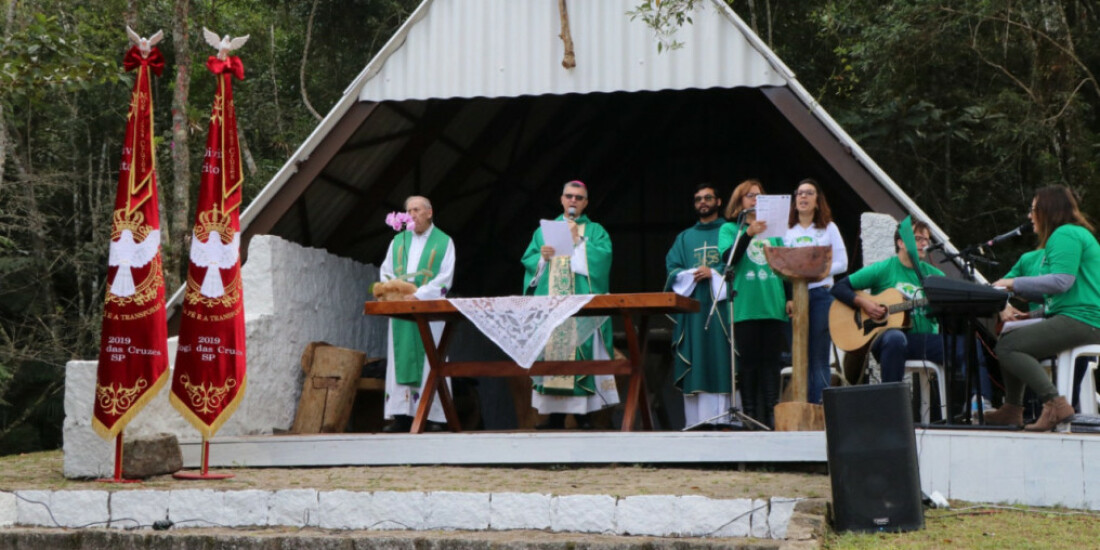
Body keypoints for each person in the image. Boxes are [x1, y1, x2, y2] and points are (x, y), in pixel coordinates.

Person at [990, 185, 1100, 431]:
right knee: (1008, 334)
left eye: (1033, 209)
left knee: (1007, 347)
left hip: (1085, 320)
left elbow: (1062, 282)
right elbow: (1060, 291)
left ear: (1047, 210)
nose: (1030, 216)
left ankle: (1054, 404)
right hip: (1080, 317)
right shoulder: (1069, 235)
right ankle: (1012, 409)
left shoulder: (1066, 234)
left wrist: (1013, 282)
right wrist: (1015, 290)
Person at [521, 180, 618, 429]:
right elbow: (529, 260)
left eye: (578, 197)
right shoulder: (544, 231)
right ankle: (553, 417)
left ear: (585, 202)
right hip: (552, 307)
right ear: (561, 199)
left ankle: (583, 415)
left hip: (580, 309)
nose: (573, 201)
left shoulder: (595, 231)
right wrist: (541, 259)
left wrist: (580, 242)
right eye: (569, 196)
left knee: (581, 355)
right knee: (551, 358)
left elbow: (603, 259)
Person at [831, 220, 947, 386]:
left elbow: (943, 316)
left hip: (922, 341)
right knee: (895, 338)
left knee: (964, 345)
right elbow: (839, 288)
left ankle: (977, 404)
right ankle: (892, 403)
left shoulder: (935, 276)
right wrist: (864, 304)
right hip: (887, 340)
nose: (924, 243)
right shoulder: (884, 269)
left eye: (927, 240)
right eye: (918, 238)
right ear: (901, 243)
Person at [379, 196, 455, 433]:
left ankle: (435, 417)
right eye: (409, 211)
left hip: (429, 311)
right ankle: (401, 415)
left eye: (417, 210)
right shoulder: (398, 241)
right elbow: (387, 271)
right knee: (400, 360)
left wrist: (419, 295)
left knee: (431, 361)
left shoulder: (444, 242)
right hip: (402, 311)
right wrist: (394, 292)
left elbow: (444, 278)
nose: (412, 215)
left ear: (429, 212)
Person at [717, 179, 787, 428]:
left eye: (759, 196)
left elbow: (787, 266)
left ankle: (770, 416)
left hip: (773, 305)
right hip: (745, 306)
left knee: (771, 363)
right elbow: (728, 260)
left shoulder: (776, 230)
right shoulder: (729, 230)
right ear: (739, 202)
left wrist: (789, 298)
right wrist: (748, 234)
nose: (754, 200)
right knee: (748, 364)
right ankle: (749, 417)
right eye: (749, 196)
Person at [664, 184, 732, 429]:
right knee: (697, 357)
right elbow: (672, 268)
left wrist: (713, 273)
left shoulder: (730, 230)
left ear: (718, 201)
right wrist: (691, 273)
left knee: (723, 357)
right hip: (693, 310)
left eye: (707, 198)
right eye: (698, 199)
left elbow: (738, 264)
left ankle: (726, 419)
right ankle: (697, 422)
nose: (702, 202)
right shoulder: (685, 237)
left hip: (722, 308)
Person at [783, 179, 848, 404]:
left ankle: (820, 408)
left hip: (821, 294)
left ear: (817, 201)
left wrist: (819, 272)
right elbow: (780, 266)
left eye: (809, 193)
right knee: (799, 355)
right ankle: (800, 406)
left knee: (819, 354)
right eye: (799, 193)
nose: (803, 197)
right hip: (796, 297)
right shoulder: (787, 231)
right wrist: (789, 297)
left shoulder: (829, 228)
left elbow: (843, 262)